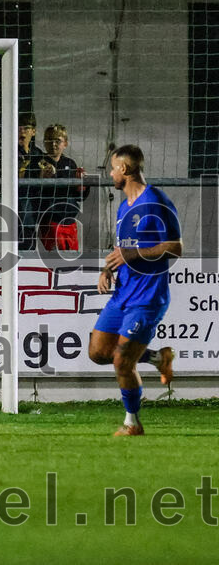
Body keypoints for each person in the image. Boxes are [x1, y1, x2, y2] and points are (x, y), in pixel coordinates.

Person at [90, 144, 179, 436]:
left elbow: (177, 248)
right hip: (123, 293)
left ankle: (132, 422)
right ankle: (157, 358)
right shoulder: (124, 205)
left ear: (125, 170)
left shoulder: (155, 201)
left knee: (121, 361)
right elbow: (123, 248)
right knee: (98, 352)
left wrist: (135, 254)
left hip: (148, 297)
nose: (111, 173)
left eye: (113, 168)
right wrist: (107, 269)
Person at [37, 124, 89, 251]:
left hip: (70, 221)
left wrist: (81, 186)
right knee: (52, 261)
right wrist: (41, 180)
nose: (53, 144)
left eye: (57, 141)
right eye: (49, 140)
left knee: (70, 261)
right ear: (44, 142)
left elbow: (79, 197)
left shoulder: (70, 164)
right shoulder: (39, 162)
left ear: (65, 143)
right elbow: (32, 193)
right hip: (50, 221)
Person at [17, 112, 44, 252]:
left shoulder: (38, 155)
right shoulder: (9, 153)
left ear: (33, 132)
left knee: (28, 245)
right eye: (19, 127)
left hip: (32, 210)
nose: (22, 131)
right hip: (14, 208)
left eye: (26, 128)